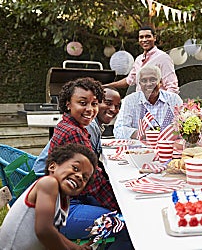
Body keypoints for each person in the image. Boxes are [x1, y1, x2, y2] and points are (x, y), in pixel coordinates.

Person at [36, 78, 133, 249]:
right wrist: (123, 206)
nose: (90, 109)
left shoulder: (70, 126)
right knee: (126, 225)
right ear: (68, 104)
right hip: (63, 211)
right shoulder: (74, 133)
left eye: (94, 103)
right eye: (82, 103)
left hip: (69, 200)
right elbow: (93, 182)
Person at [0, 144, 97, 250]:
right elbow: (44, 231)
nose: (79, 176)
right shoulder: (49, 183)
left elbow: (53, 232)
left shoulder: (64, 199)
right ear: (52, 167)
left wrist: (76, 248)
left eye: (85, 178)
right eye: (75, 168)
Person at [33, 86, 121, 173]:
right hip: (45, 176)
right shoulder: (88, 127)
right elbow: (89, 167)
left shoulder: (78, 123)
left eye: (117, 106)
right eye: (108, 103)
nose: (113, 109)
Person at [114, 65, 183, 139]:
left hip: (168, 147)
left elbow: (184, 127)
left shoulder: (174, 99)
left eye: (153, 80)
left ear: (160, 82)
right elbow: (119, 130)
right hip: (139, 149)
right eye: (144, 81)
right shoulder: (130, 100)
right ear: (139, 84)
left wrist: (168, 134)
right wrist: (144, 135)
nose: (149, 84)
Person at [104, 26, 179, 94]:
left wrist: (165, 105)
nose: (144, 40)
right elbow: (129, 81)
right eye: (141, 37)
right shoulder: (139, 59)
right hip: (140, 104)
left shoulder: (163, 58)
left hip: (158, 105)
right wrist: (107, 86)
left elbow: (172, 86)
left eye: (148, 36)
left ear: (154, 38)